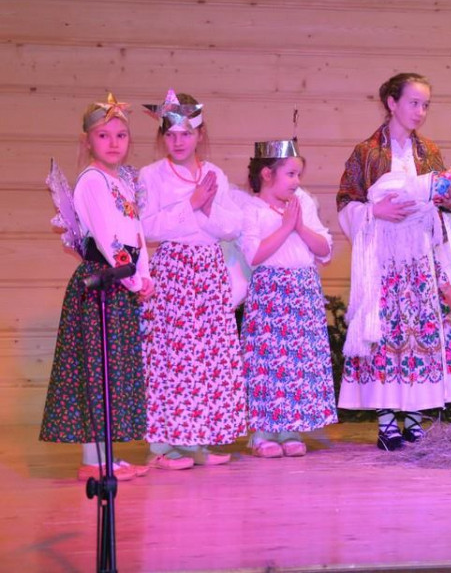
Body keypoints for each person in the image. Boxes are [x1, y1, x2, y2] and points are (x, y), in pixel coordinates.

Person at [337, 73, 451, 452]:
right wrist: (373, 211)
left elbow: (440, 199)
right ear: (392, 103)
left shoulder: (429, 151)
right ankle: (386, 423)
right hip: (383, 261)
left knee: (420, 335)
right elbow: (346, 201)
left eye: (425, 105)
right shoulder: (366, 152)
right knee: (386, 335)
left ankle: (413, 418)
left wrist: (447, 202)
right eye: (413, 103)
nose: (420, 111)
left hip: (420, 261)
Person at [40, 94, 153, 481]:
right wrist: (133, 278)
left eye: (121, 135)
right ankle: (94, 459)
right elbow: (107, 239)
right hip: (101, 283)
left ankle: (108, 457)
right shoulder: (92, 181)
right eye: (104, 135)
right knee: (97, 369)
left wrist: (145, 275)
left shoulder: (122, 181)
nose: (114, 143)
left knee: (112, 370)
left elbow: (136, 233)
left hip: (120, 282)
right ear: (88, 141)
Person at [138, 91, 245, 470]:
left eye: (186, 134)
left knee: (209, 355)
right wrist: (190, 205)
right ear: (162, 138)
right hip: (174, 272)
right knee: (173, 356)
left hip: (209, 272)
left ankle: (202, 437)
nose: (178, 141)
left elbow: (232, 227)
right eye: (170, 135)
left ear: (200, 134)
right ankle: (167, 444)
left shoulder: (215, 174)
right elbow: (146, 227)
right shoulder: (151, 175)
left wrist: (209, 206)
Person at [239, 139, 336, 458]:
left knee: (298, 363)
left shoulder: (301, 201)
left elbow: (324, 248)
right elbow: (254, 254)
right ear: (267, 174)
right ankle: (263, 432)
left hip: (302, 291)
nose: (296, 181)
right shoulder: (252, 209)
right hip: (271, 293)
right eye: (291, 174)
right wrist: (285, 227)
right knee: (268, 362)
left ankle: (291, 428)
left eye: (298, 175)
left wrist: (299, 226)